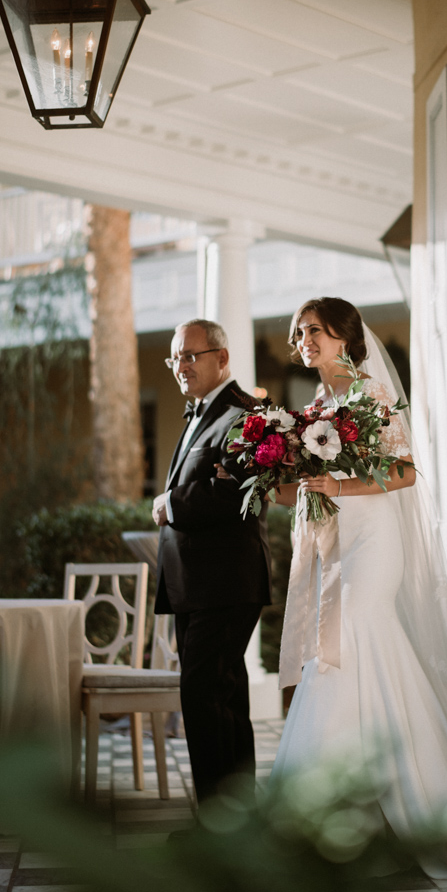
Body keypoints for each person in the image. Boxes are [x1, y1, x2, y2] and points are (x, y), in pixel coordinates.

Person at [271, 297, 447, 879]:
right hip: (336, 543)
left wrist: (337, 489)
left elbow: (404, 472)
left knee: (344, 645)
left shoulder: (370, 396)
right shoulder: (317, 404)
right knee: (344, 652)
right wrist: (274, 484)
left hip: (373, 544)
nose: (304, 339)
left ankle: (331, 816)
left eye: (314, 330)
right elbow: (319, 483)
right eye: (298, 332)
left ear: (344, 335)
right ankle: (348, 815)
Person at [152, 318, 272, 804]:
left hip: (225, 582)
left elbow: (239, 491)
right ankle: (232, 824)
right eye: (175, 357)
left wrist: (172, 502)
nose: (181, 366)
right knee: (220, 701)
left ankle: (221, 831)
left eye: (190, 355)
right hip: (195, 585)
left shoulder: (245, 414)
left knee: (205, 700)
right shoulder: (201, 413)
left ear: (222, 358)